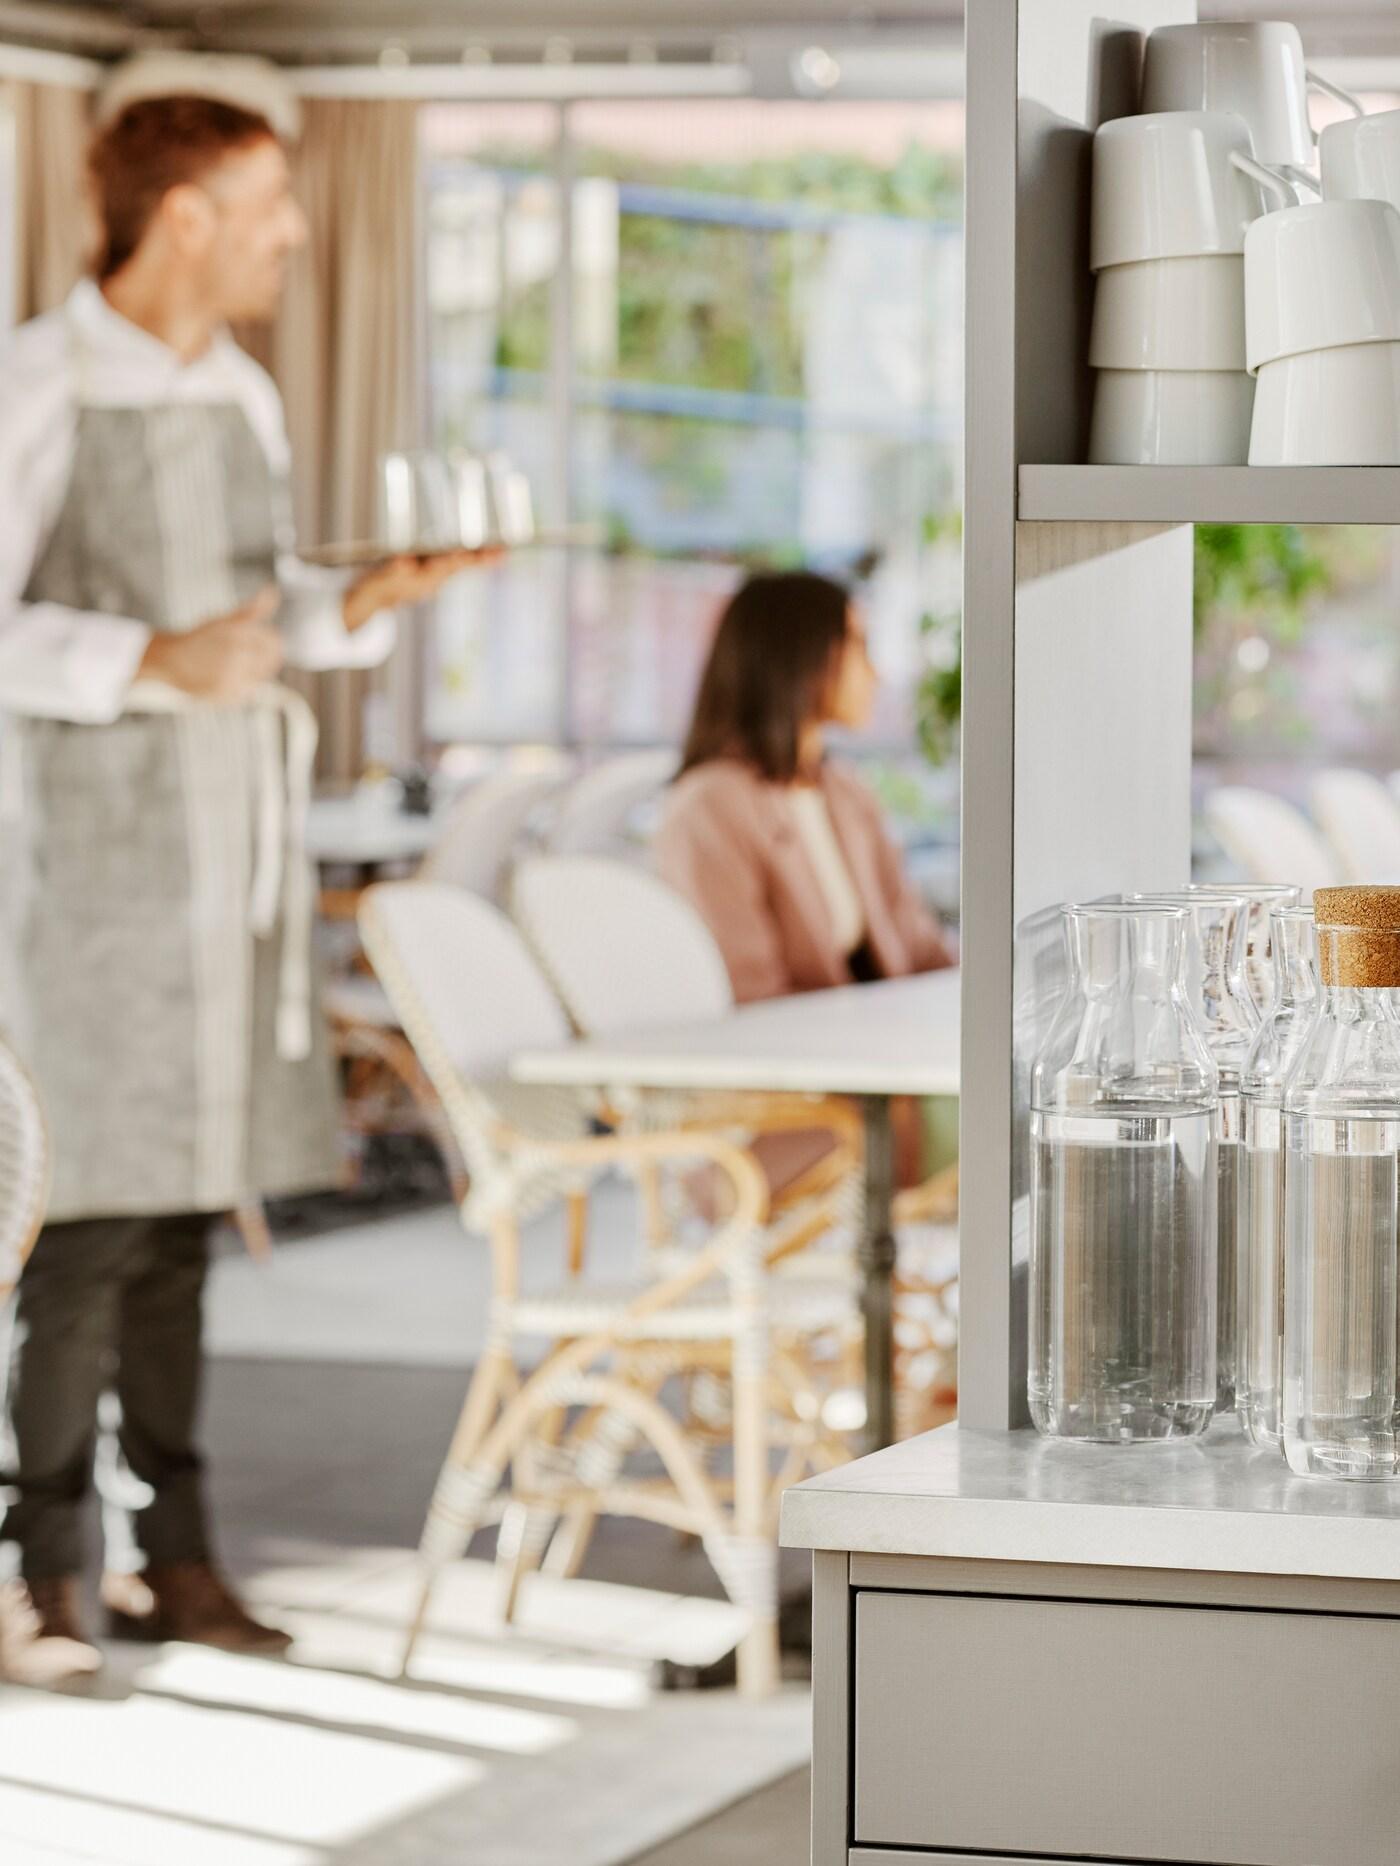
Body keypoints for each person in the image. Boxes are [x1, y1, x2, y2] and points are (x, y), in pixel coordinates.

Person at [0, 93, 481, 1686]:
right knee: (81, 1222)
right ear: (185, 213)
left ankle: (178, 1557)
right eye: (268, 201)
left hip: (231, 868)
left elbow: (262, 618)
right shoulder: (39, 379)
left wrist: (364, 603)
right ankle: (39, 1572)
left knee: (187, 1218)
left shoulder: (251, 397)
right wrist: (142, 655)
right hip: (85, 872)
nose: (291, 231)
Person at [657, 570, 954, 1004]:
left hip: (883, 1031)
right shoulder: (708, 808)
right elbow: (750, 992)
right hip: (800, 1055)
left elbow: (917, 941)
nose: (875, 673)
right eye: (859, 646)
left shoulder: (845, 792)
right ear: (802, 655)